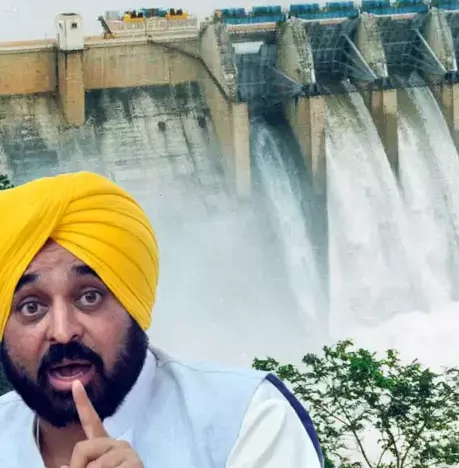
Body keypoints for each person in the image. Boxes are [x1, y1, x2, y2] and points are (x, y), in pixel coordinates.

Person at [0, 171, 325, 468]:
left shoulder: (249, 419)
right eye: (31, 307)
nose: (63, 331)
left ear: (134, 302)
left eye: (90, 297)